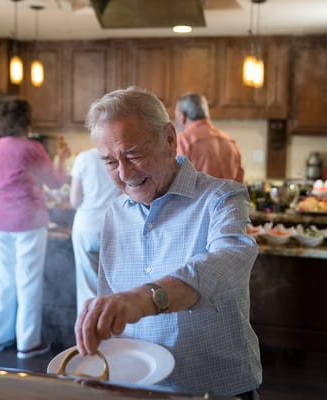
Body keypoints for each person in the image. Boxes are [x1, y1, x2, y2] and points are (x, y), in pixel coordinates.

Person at [74, 87, 261, 398]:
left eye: (133, 154)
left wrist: (143, 299)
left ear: (170, 139)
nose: (124, 173)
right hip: (137, 386)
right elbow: (113, 307)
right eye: (109, 162)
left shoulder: (221, 197)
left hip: (215, 389)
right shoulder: (114, 214)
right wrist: (100, 356)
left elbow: (230, 262)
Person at [0, 100, 71, 359]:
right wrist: (63, 159)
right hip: (27, 221)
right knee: (28, 281)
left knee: (2, 281)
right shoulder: (32, 148)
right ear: (26, 121)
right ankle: (27, 343)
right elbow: (55, 183)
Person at [70, 146, 121, 315]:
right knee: (115, 284)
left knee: (88, 288)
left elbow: (74, 200)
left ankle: (88, 334)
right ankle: (113, 334)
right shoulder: (120, 158)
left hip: (86, 227)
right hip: (115, 226)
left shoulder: (83, 158)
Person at [175, 92, 244, 183]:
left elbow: (177, 183)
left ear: (182, 116)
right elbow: (239, 182)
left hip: (198, 197)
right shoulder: (230, 141)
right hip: (229, 197)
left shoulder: (184, 141)